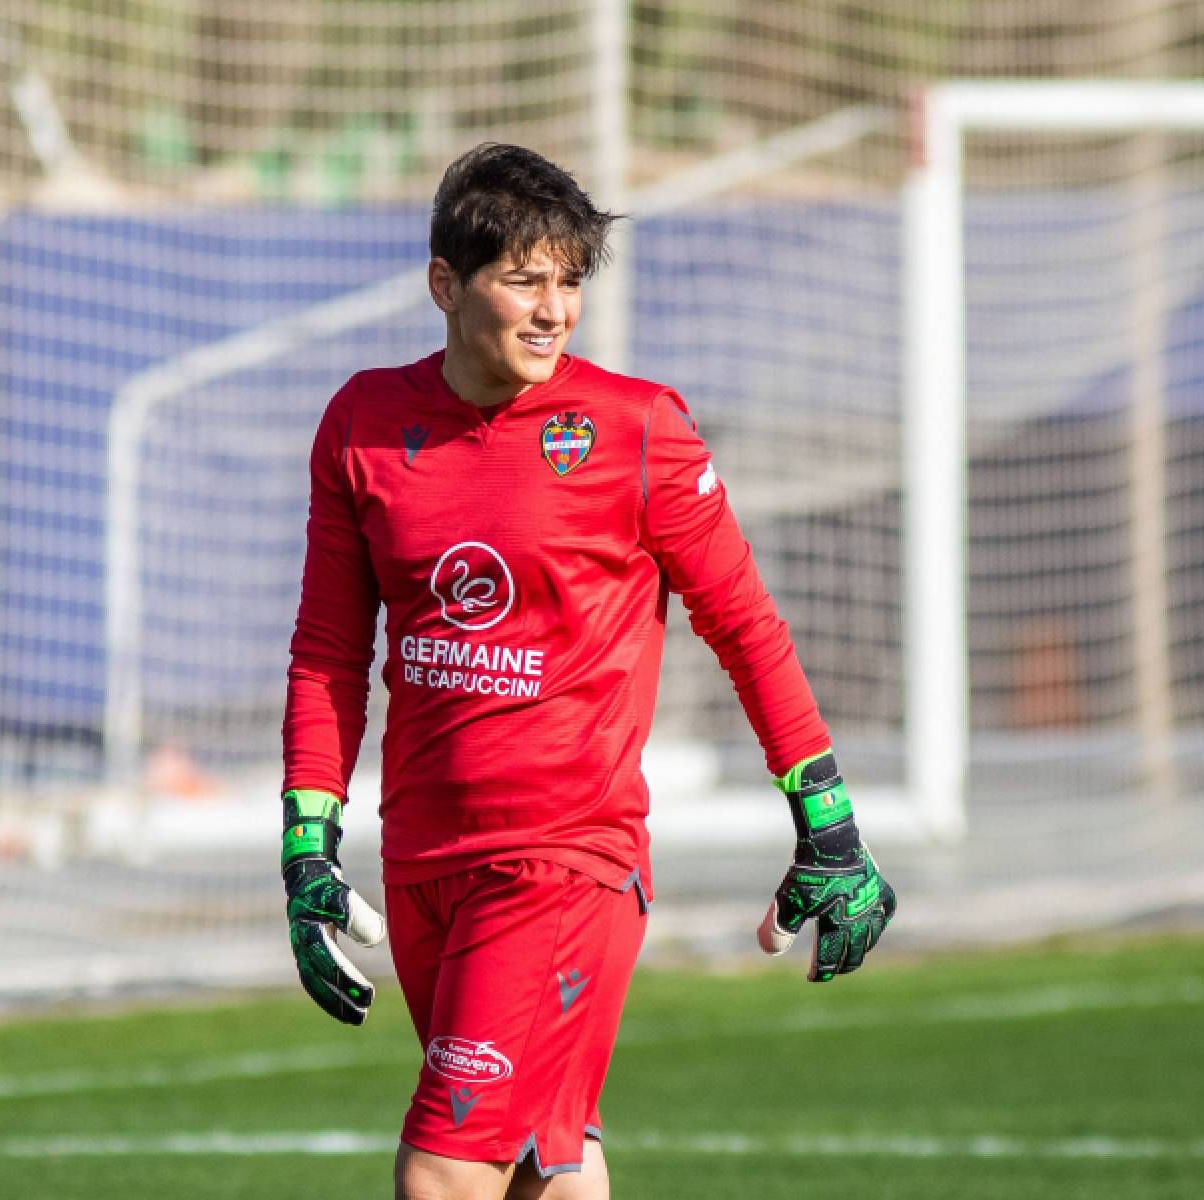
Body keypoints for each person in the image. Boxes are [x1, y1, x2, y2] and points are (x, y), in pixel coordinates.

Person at [279, 142, 897, 1200]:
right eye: (521, 278)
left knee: (443, 1171)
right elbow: (329, 655)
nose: (552, 308)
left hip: (563, 861)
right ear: (444, 284)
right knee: (544, 1167)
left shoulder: (636, 428)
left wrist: (826, 822)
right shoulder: (362, 425)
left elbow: (744, 625)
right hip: (424, 858)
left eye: (568, 280)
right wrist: (306, 846)